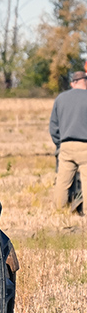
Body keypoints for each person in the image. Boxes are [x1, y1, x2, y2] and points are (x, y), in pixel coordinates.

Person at [50, 70, 87, 212]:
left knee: (62, 182)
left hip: (66, 145)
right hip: (85, 145)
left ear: (73, 83)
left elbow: (53, 126)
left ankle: (59, 211)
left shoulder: (61, 98)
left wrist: (60, 143)